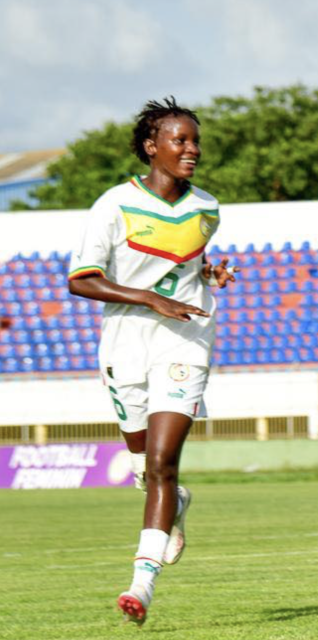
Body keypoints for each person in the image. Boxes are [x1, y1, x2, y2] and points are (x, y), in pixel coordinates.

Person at [67, 98, 236, 625]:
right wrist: (147, 297)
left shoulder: (207, 208)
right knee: (145, 468)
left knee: (162, 462)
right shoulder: (114, 204)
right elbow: (81, 279)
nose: (192, 150)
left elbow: (186, 263)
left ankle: (141, 584)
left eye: (195, 140)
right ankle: (175, 505)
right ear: (151, 146)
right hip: (125, 344)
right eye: (180, 140)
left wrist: (208, 277)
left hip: (184, 341)